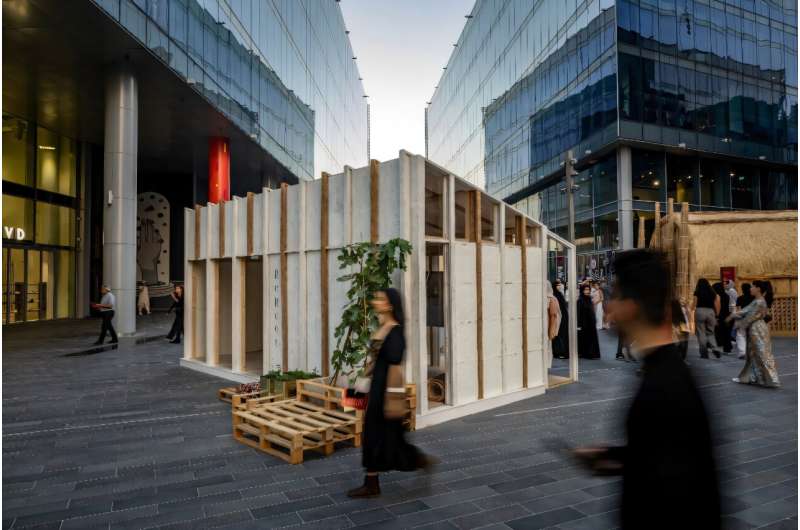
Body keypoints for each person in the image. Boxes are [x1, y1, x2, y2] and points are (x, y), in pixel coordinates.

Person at [573, 249, 720, 530]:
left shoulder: (663, 387)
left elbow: (680, 495)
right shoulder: (666, 373)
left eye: (615, 297)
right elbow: (665, 456)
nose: (610, 308)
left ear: (632, 306)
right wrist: (614, 457)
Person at [347, 288, 433, 498]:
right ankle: (372, 482)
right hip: (376, 388)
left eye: (380, 299)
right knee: (376, 436)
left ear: (390, 305)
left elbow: (394, 358)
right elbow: (374, 361)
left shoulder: (394, 331)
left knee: (388, 438)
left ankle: (419, 461)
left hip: (386, 392)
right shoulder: (383, 327)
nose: (375, 301)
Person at [727, 280, 780, 388]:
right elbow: (746, 311)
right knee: (753, 354)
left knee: (761, 353)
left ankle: (772, 379)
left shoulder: (759, 302)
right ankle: (754, 377)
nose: (750, 289)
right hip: (756, 328)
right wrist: (734, 317)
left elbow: (749, 315)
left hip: (757, 329)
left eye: (752, 287)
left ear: (758, 288)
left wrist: (737, 322)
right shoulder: (758, 300)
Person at [692, 278, 722, 359]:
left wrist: (691, 309)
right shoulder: (712, 292)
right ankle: (714, 347)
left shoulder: (697, 292)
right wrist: (717, 315)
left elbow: (694, 303)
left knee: (701, 332)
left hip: (700, 311)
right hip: (710, 312)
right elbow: (717, 303)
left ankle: (704, 352)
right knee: (711, 332)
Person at [577, 284, 600, 359]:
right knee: (586, 339)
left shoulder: (589, 299)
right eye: (585, 290)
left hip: (591, 323)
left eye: (588, 290)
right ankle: (588, 354)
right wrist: (579, 325)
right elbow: (579, 313)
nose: (587, 291)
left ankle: (592, 353)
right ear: (582, 291)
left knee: (592, 339)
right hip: (584, 324)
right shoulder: (580, 300)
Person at [734, 283, 754, 360]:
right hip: (752, 318)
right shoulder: (754, 298)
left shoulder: (740, 298)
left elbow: (738, 310)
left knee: (741, 335)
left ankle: (742, 352)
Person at [712, 282, 732, 354]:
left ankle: (717, 346)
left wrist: (716, 316)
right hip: (726, 315)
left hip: (719, 315)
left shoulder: (716, 296)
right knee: (726, 332)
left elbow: (717, 307)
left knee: (717, 331)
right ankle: (727, 348)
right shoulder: (726, 295)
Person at [546, 282, 562, 369]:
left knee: (547, 346)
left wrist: (552, 330)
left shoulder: (551, 299)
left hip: (547, 326)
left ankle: (546, 365)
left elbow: (554, 315)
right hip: (542, 326)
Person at [552, 281, 569, 359]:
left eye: (559, 285)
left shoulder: (559, 294)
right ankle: (558, 351)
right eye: (557, 285)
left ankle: (561, 351)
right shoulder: (554, 295)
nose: (559, 286)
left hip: (563, 317)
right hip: (558, 317)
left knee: (562, 334)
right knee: (558, 334)